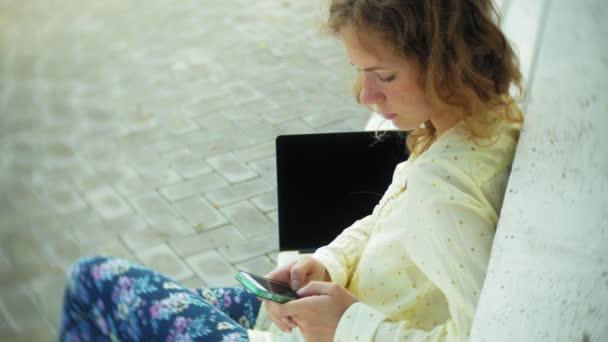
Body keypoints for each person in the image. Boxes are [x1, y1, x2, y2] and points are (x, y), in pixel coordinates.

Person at [59, 0, 523, 341]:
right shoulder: (476, 123)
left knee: (91, 282)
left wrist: (347, 325)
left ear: (446, 60)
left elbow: (484, 332)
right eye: (360, 72)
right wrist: (327, 262)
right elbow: (388, 220)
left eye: (385, 75)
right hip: (314, 316)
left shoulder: (445, 189)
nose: (366, 96)